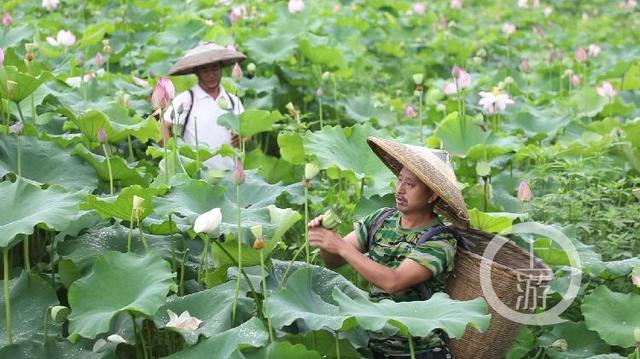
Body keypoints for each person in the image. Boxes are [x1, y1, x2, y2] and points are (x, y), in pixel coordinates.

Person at [309, 136, 470, 359]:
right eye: (399, 180)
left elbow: (393, 282)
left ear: (433, 195)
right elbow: (333, 261)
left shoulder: (441, 240)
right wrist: (327, 240)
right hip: (377, 347)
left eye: (411, 184)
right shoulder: (380, 219)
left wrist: (340, 247)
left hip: (421, 351)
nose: (400, 189)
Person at [161, 42, 246, 170]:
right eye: (204, 70)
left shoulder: (234, 101)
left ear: (221, 68)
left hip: (231, 173)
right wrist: (171, 158)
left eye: (214, 68)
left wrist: (243, 138)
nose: (211, 75)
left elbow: (247, 134)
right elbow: (164, 125)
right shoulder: (186, 99)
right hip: (197, 175)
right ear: (196, 72)